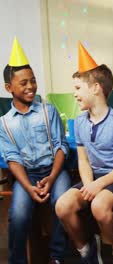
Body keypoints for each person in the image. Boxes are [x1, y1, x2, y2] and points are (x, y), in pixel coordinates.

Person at [55, 42, 113, 264]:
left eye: (78, 88)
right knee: (63, 205)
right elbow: (82, 159)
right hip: (91, 179)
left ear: (96, 87)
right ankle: (88, 251)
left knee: (99, 206)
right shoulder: (79, 122)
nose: (75, 94)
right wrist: (88, 183)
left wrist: (98, 186)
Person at [0, 37, 71, 264]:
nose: (30, 86)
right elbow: (12, 159)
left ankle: (57, 256)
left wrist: (51, 177)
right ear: (9, 88)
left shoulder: (47, 110)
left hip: (54, 170)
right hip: (26, 176)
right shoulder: (4, 123)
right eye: (23, 83)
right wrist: (29, 187)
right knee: (18, 215)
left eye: (33, 80)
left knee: (62, 203)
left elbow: (61, 146)